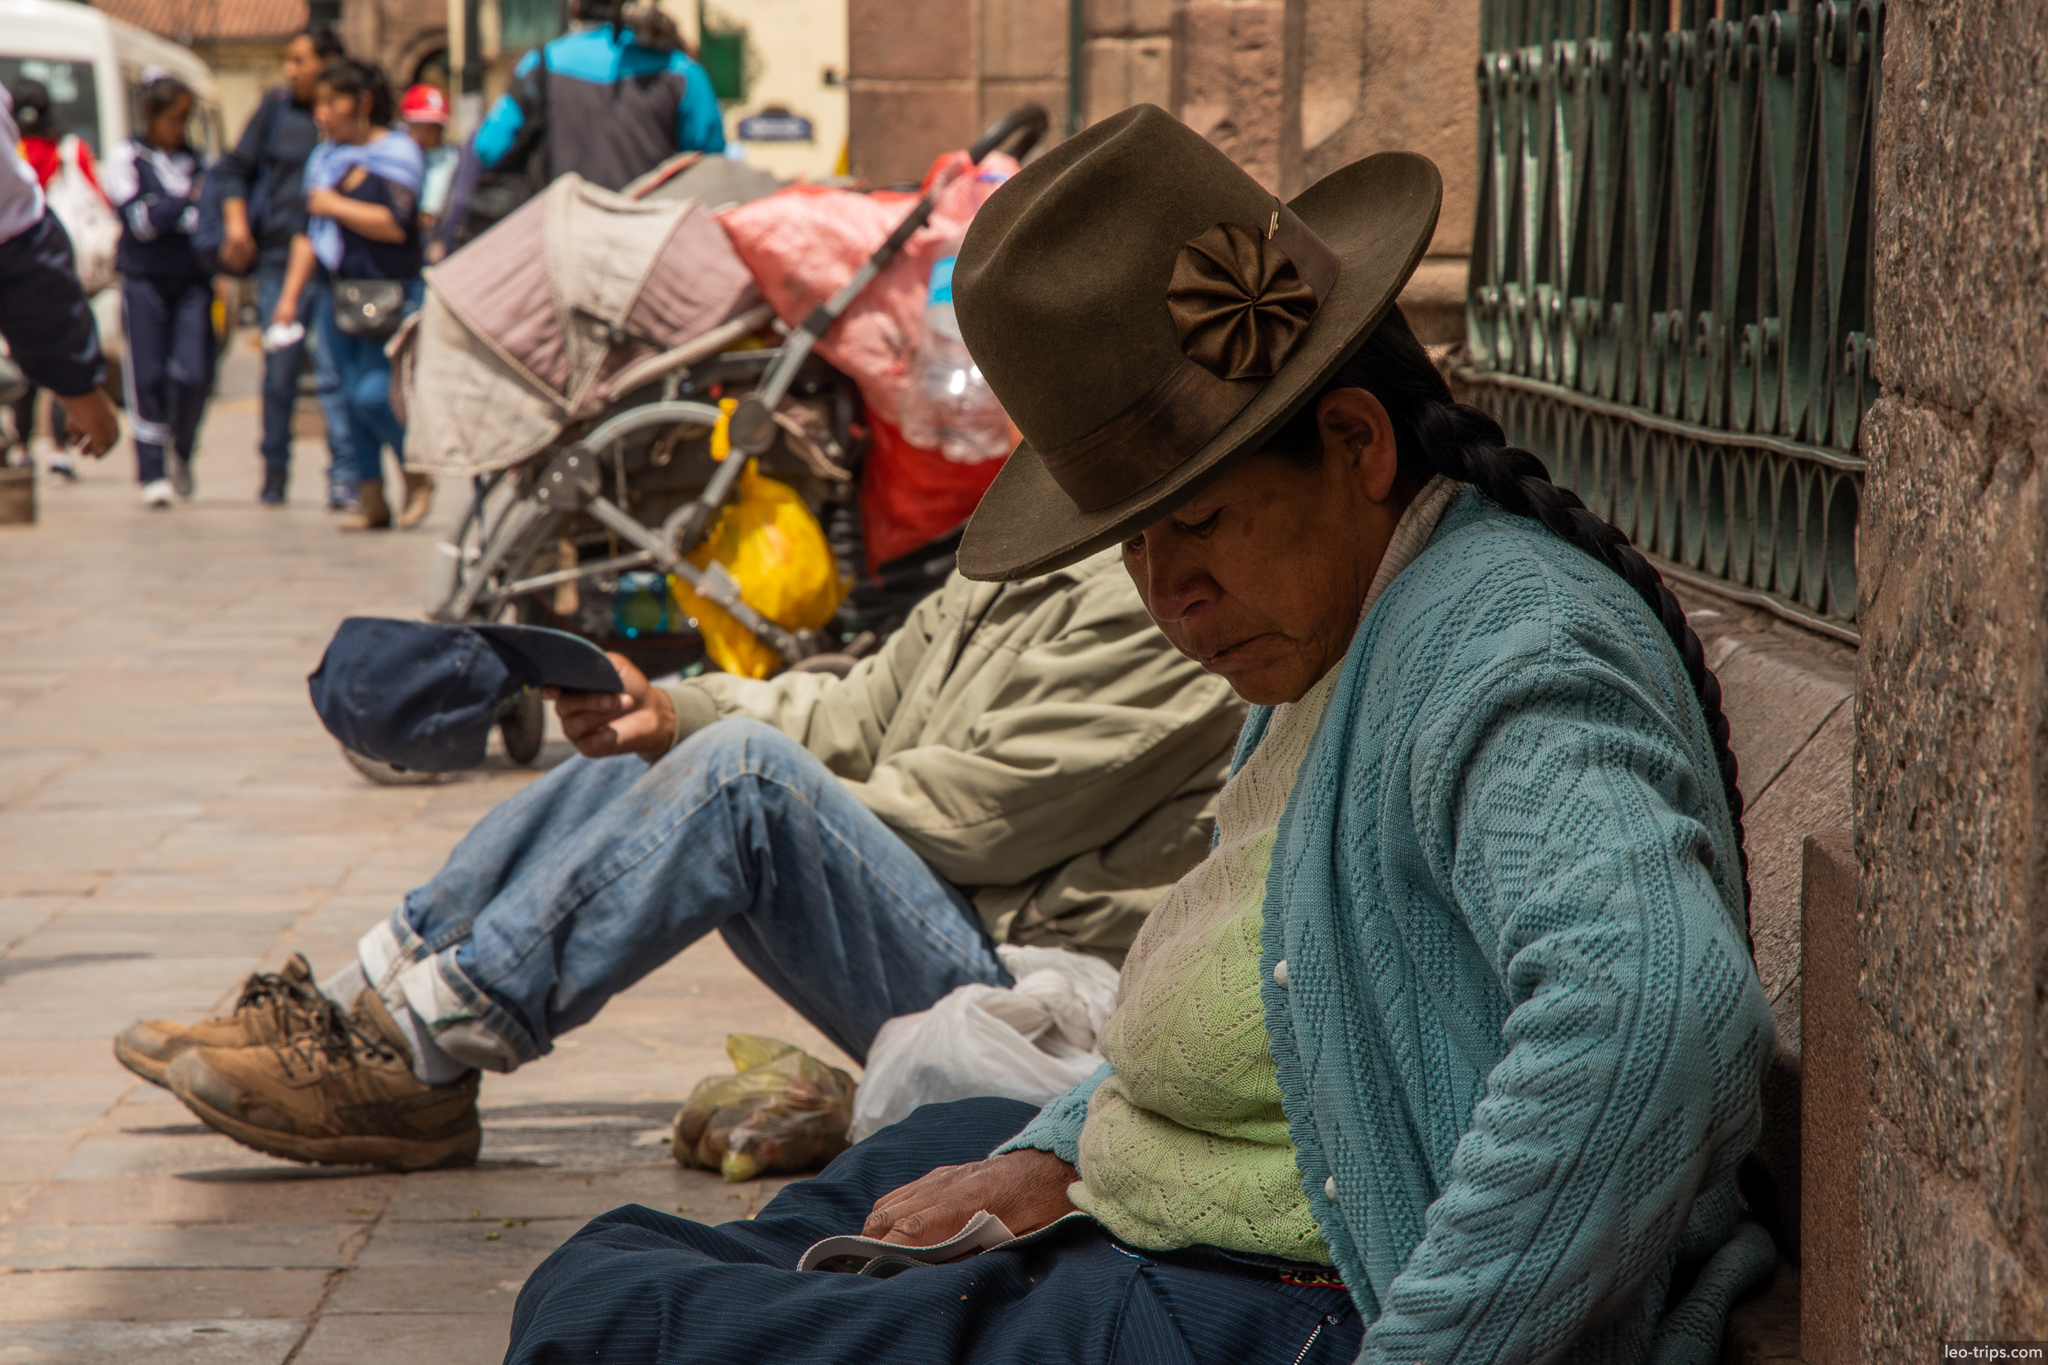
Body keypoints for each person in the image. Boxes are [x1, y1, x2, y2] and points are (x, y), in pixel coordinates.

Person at [491, 107, 1779, 1365]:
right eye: (1134, 543)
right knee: (739, 1223)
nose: (1169, 595)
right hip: (1175, 1206)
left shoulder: (1505, 646)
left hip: (1307, 1294)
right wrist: (1054, 1150)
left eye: (1200, 524)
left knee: (608, 1312)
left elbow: (1652, 1008)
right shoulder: (1335, 626)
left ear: (1352, 442)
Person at [121, 556, 1245, 1173]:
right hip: (957, 929)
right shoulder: (1029, 557)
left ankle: (420, 1053)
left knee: (740, 778)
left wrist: (726, 762)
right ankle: (358, 1006)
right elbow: (855, 708)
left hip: (1035, 1006)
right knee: (693, 751)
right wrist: (673, 711)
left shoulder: (1157, 593)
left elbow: (977, 818)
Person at [268, 58, 425, 532]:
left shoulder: (398, 154)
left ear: (362, 104)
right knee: (344, 401)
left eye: (331, 102)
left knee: (374, 394)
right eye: (318, 104)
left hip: (391, 291)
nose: (322, 114)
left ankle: (418, 468)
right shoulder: (325, 161)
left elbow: (396, 226)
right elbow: (307, 233)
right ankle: (371, 497)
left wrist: (334, 205)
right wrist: (289, 298)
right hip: (339, 294)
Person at [215, 25, 356, 508]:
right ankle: (275, 472)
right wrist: (236, 227)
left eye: (300, 61)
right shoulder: (275, 109)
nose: (289, 71)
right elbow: (235, 168)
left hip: (335, 263)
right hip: (278, 259)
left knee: (337, 374)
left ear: (329, 63)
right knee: (280, 372)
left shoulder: (352, 119)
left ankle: (345, 476)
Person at [473, 0, 724, 197]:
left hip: (564, 240)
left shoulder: (540, 65)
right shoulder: (682, 71)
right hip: (650, 242)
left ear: (575, 7)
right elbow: (710, 161)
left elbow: (488, 147)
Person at [103, 75, 216, 509]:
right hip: (145, 278)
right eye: (174, 119)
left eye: (186, 120)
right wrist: (185, 200)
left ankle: (182, 446)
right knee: (146, 373)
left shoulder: (198, 161)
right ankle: (152, 470)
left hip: (192, 281)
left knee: (193, 373)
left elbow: (203, 215)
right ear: (151, 115)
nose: (180, 128)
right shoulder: (129, 157)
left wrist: (176, 207)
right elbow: (141, 224)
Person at [0, 82, 120, 462]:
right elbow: (20, 244)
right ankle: (50, 448)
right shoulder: (69, 150)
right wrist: (79, 385)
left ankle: (29, 444)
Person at [399, 83, 457, 260]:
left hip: (437, 239)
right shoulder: (398, 154)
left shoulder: (451, 158)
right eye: (424, 125)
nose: (432, 132)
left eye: (435, 126)